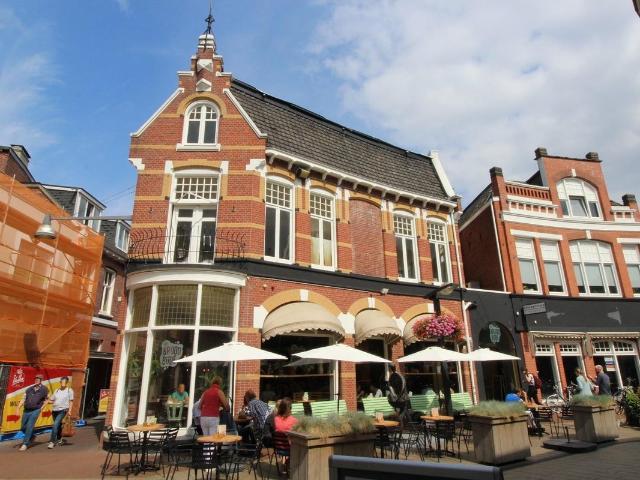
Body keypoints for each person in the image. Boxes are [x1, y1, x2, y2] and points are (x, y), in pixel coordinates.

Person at [17, 374, 49, 451]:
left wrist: (41, 408)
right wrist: (18, 408)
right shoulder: (29, 389)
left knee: (29, 426)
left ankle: (25, 444)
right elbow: (23, 398)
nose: (36, 380)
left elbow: (47, 399)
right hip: (26, 410)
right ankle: (32, 436)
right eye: (36, 379)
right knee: (23, 427)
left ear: (41, 380)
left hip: (35, 410)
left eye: (38, 379)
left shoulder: (44, 389)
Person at [47, 376, 74, 449]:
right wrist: (47, 400)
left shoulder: (69, 390)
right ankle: (59, 439)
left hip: (63, 410)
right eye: (61, 382)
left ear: (67, 383)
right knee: (58, 425)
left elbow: (71, 401)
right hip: (54, 410)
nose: (62, 383)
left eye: (64, 382)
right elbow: (52, 400)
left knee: (55, 425)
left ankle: (52, 442)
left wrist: (70, 411)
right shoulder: (57, 390)